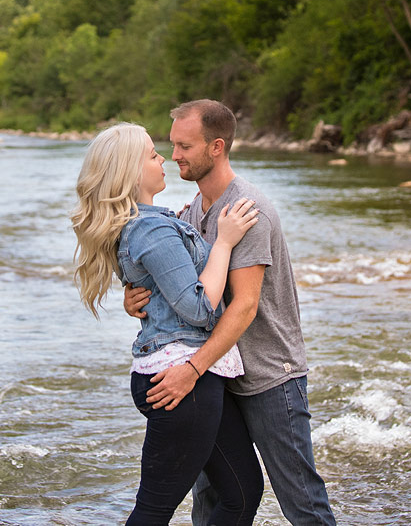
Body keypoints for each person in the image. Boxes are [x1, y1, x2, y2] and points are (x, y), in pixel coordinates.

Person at [125, 99, 337, 525]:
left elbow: (243, 307)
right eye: (171, 145)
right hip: (219, 378)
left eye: (185, 146)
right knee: (215, 501)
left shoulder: (247, 212)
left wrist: (191, 370)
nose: (174, 155)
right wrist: (135, 296)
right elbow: (182, 287)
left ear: (216, 147)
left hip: (268, 376)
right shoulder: (191, 213)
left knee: (303, 503)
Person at [72, 121, 265, 525]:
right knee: (154, 510)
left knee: (243, 491)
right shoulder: (152, 228)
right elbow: (198, 308)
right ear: (130, 171)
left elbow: (160, 289)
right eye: (152, 154)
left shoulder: (151, 222)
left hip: (187, 377)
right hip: (179, 380)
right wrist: (225, 241)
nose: (164, 158)